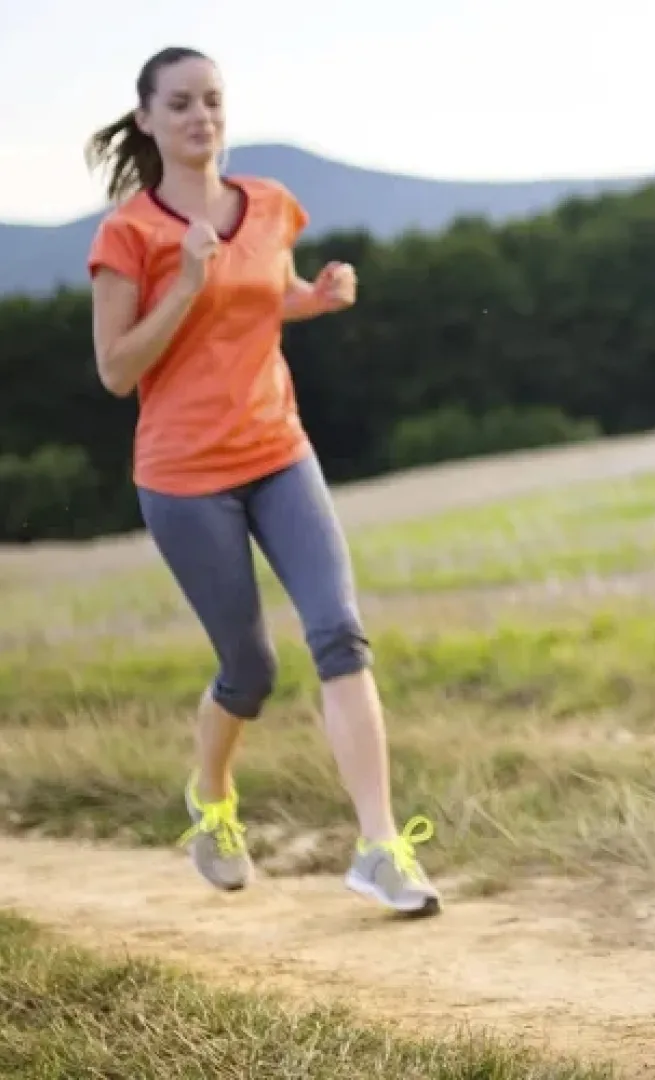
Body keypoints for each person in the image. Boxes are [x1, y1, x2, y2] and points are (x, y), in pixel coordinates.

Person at [83, 46, 441, 918]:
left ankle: (381, 847)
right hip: (184, 478)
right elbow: (116, 370)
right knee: (248, 669)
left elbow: (262, 295)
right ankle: (211, 801)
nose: (200, 117)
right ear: (147, 120)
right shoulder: (128, 234)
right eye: (179, 105)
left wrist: (313, 297)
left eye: (211, 100)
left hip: (280, 452)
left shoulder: (273, 206)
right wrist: (186, 283)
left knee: (340, 635)